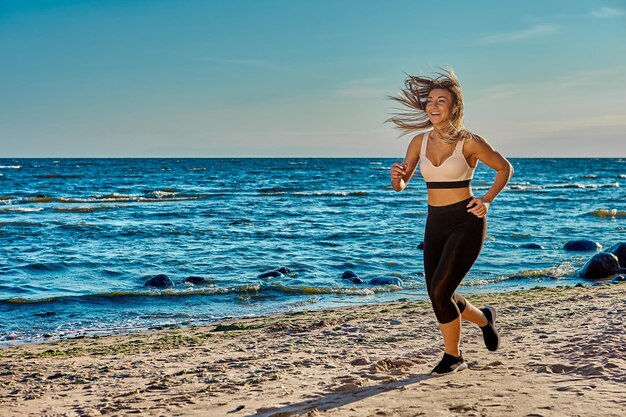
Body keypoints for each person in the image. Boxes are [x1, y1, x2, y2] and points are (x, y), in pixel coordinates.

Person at [388, 68, 513, 376]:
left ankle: (453, 356)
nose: (433, 105)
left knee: (442, 293)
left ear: (454, 107)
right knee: (438, 292)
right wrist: (398, 179)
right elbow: (401, 185)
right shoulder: (419, 141)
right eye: (430, 100)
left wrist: (485, 200)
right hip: (435, 223)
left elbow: (504, 168)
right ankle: (484, 318)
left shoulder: (469, 142)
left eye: (441, 100)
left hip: (466, 221)